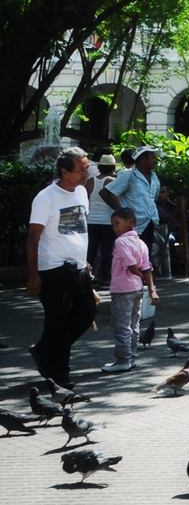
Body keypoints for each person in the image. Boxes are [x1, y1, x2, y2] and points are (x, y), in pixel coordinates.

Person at [26, 147, 95, 390]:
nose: (86, 173)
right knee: (59, 323)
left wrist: (84, 259)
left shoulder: (81, 192)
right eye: (82, 169)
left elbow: (77, 229)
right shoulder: (45, 198)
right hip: (53, 270)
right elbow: (33, 238)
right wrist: (33, 275)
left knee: (86, 315)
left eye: (86, 168)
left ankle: (45, 350)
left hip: (78, 269)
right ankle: (59, 374)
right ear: (65, 172)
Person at [102, 207, 158, 374]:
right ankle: (131, 357)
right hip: (137, 290)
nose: (114, 228)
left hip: (122, 290)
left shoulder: (121, 242)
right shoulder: (141, 243)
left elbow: (132, 265)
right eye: (113, 224)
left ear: (131, 222)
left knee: (122, 326)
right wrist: (152, 289)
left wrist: (138, 275)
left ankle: (123, 360)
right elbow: (147, 268)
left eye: (117, 223)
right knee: (134, 325)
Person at [102, 144, 161, 258]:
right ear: (143, 159)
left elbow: (154, 198)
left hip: (150, 222)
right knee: (132, 258)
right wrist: (121, 212)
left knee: (145, 257)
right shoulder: (129, 175)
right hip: (133, 225)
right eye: (152, 157)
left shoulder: (154, 177)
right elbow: (106, 192)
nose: (155, 160)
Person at [85, 153, 118, 287]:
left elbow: (87, 199)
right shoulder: (112, 181)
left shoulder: (90, 181)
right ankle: (106, 279)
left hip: (91, 220)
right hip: (107, 221)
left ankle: (88, 278)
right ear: (113, 167)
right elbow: (116, 199)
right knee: (107, 251)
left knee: (90, 250)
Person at [154, 184, 182, 279]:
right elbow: (163, 219)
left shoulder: (172, 205)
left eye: (163, 192)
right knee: (171, 240)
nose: (160, 195)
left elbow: (181, 214)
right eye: (159, 193)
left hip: (177, 231)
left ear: (168, 193)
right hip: (163, 232)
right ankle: (174, 267)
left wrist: (172, 204)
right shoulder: (155, 206)